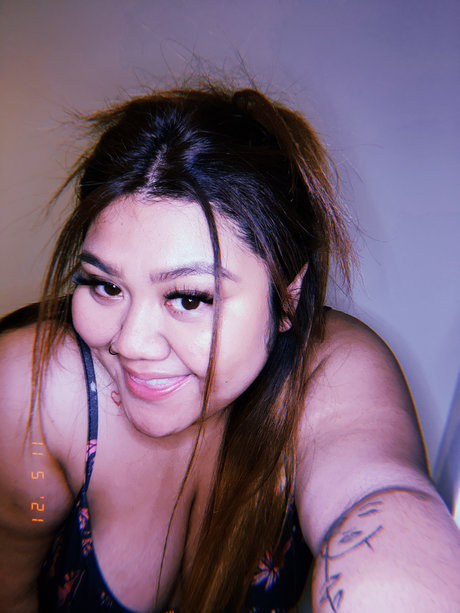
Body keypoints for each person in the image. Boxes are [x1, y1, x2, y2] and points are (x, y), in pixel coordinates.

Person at [0, 84, 458, 613]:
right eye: (105, 285)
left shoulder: (331, 374)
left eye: (190, 298)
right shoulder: (35, 391)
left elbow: (379, 501)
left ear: (288, 295)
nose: (130, 343)